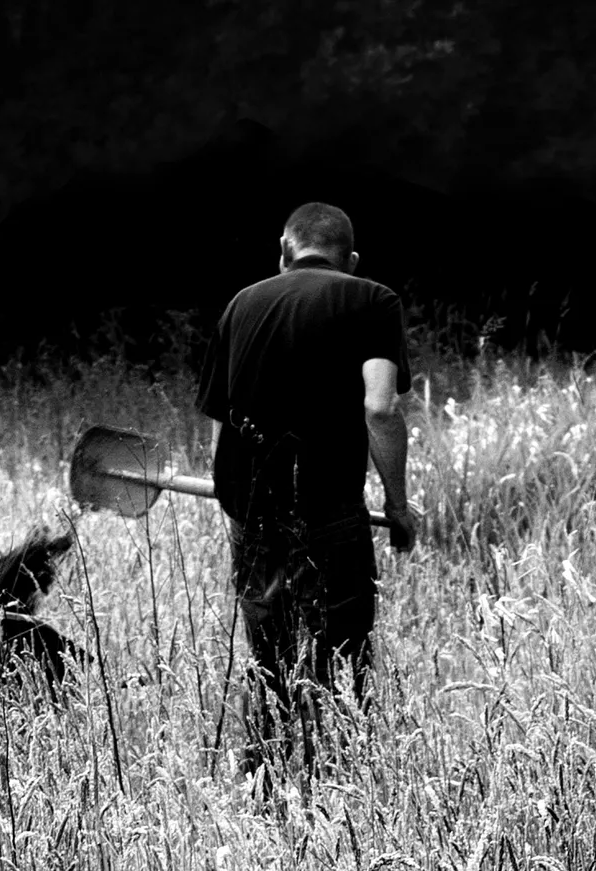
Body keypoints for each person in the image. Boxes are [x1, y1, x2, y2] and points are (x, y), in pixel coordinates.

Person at [194, 202, 417, 785]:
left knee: (270, 665)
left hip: (251, 515)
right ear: (353, 258)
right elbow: (380, 406)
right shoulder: (372, 299)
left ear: (283, 251)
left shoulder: (241, 303)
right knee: (341, 665)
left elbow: (219, 419)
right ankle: (336, 800)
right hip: (331, 514)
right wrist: (396, 505)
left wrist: (233, 506)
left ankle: (264, 798)